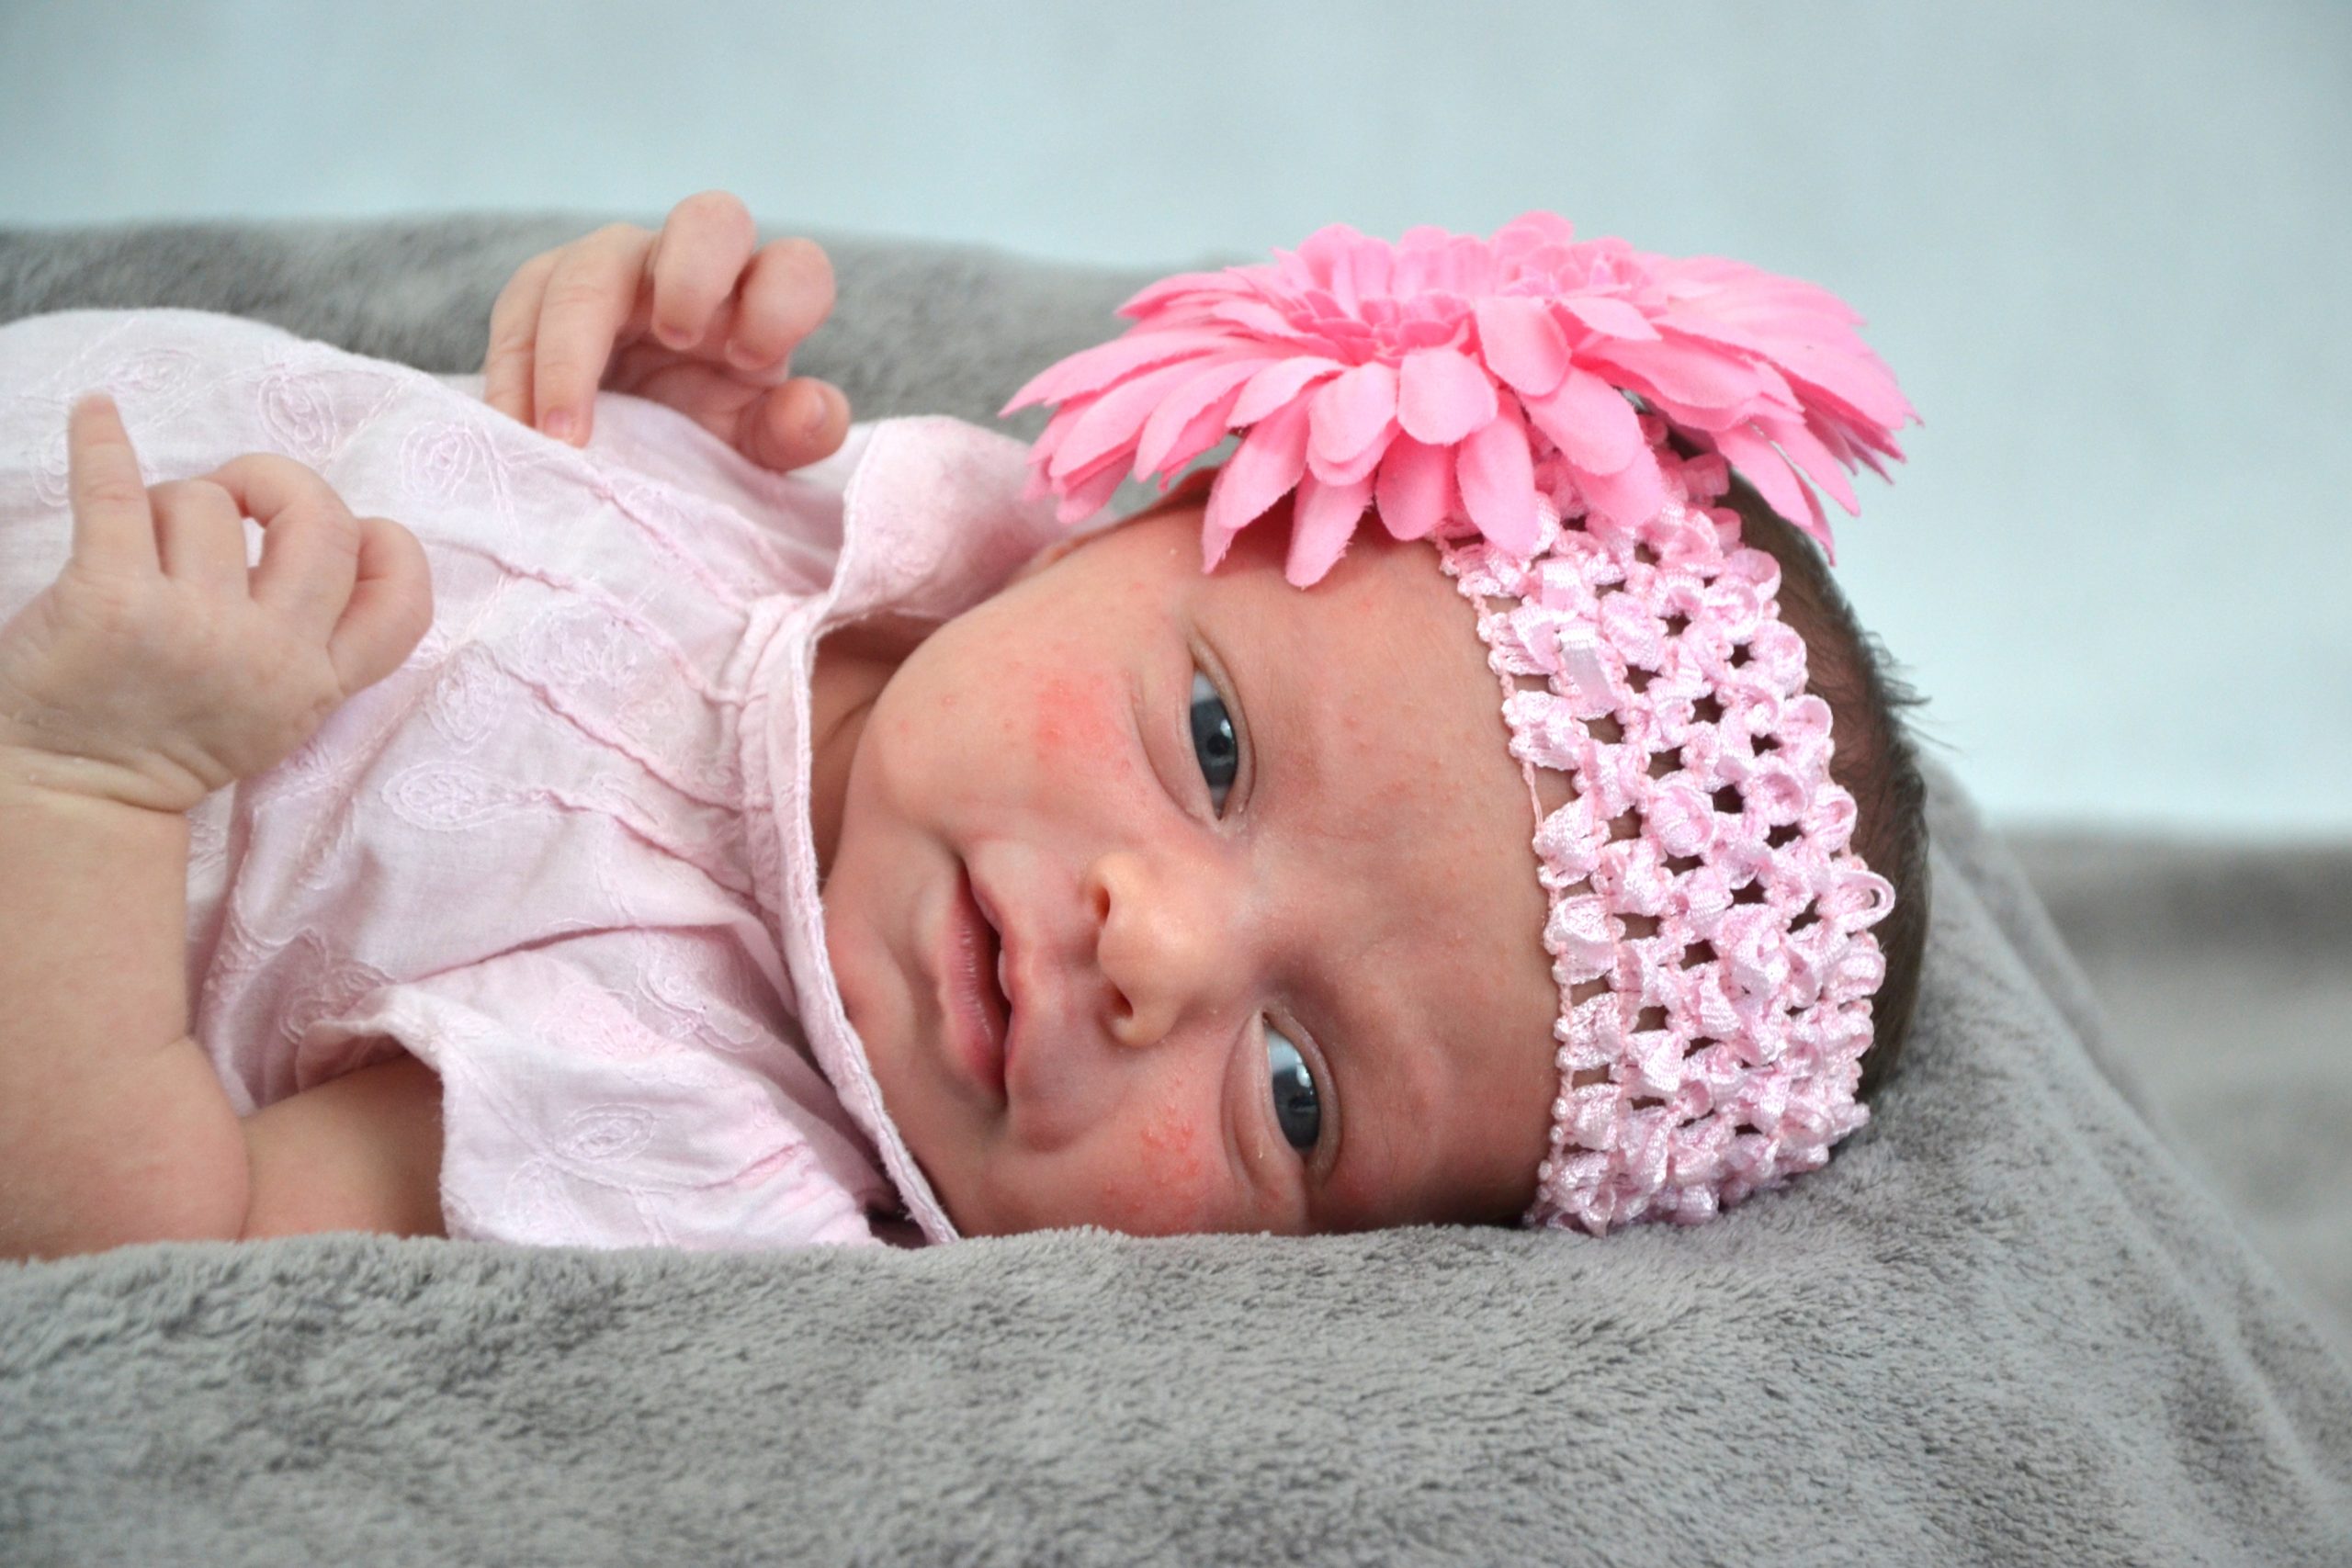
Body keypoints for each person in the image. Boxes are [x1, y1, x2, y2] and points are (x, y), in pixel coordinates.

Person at [0, 192, 1929, 1258]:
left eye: (1295, 1093)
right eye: (1216, 749)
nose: (1156, 948)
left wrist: (84, 785)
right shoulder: (898, 540)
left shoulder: (691, 1141)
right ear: (1139, 518)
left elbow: (152, 1252)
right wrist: (612, 410)